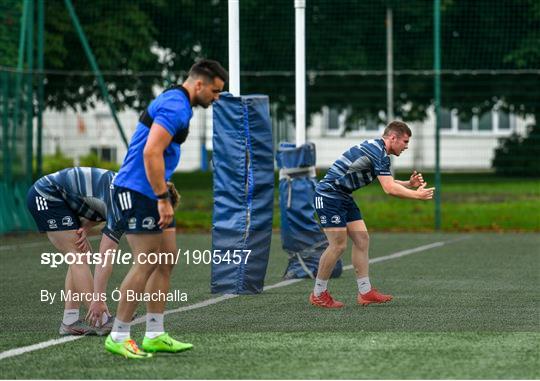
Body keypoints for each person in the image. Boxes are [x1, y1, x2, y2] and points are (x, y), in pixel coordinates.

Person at [104, 59, 227, 359]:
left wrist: (164, 188)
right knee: (146, 261)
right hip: (137, 191)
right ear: (199, 84)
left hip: (153, 190)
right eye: (215, 90)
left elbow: (157, 151)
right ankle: (118, 335)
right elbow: (151, 151)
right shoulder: (176, 106)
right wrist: (161, 197)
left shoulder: (178, 101)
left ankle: (155, 333)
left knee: (166, 258)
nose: (216, 97)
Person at [310, 121, 434, 308]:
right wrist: (417, 195)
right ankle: (318, 293)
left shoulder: (379, 150)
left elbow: (387, 180)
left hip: (343, 195)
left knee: (362, 239)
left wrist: (409, 185)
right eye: (405, 141)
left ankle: (365, 292)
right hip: (329, 195)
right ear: (393, 138)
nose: (407, 147)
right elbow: (389, 188)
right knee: (338, 245)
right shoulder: (377, 152)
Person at [26, 167, 123, 335]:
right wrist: (98, 300)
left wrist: (85, 226)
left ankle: (70, 321)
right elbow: (105, 257)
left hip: (62, 199)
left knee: (79, 254)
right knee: (78, 257)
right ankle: (101, 320)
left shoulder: (129, 191)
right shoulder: (123, 206)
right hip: (46, 194)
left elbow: (99, 204)